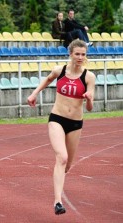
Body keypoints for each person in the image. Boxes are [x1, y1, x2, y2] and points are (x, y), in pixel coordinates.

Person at [27, 39, 95, 215]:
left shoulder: (89, 76)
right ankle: (58, 201)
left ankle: (60, 180)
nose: (80, 57)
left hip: (75, 123)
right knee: (62, 157)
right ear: (70, 54)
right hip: (57, 118)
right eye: (77, 54)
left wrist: (88, 98)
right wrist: (34, 94)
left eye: (83, 54)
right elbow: (47, 79)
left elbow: (90, 108)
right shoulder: (60, 71)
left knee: (67, 165)